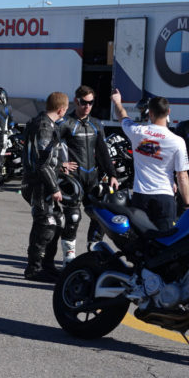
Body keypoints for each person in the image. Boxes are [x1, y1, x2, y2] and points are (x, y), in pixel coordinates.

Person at [111, 89, 189, 230]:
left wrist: (117, 101)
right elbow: (182, 176)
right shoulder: (177, 141)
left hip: (141, 197)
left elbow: (122, 116)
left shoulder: (137, 131)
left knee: (141, 242)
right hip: (165, 198)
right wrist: (187, 203)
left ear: (150, 113)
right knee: (165, 242)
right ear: (168, 112)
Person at [57, 85, 120, 259]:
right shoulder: (65, 123)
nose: (87, 106)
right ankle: (69, 259)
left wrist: (112, 174)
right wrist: (60, 165)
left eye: (91, 103)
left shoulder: (97, 124)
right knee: (73, 218)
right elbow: (48, 146)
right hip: (72, 179)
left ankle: (93, 253)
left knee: (99, 217)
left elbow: (102, 152)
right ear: (76, 101)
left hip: (92, 178)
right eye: (84, 102)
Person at [21, 91, 70, 282]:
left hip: (41, 181)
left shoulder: (42, 123)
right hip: (39, 184)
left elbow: (45, 158)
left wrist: (60, 165)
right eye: (65, 110)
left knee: (57, 222)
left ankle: (47, 266)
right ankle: (34, 269)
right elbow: (42, 163)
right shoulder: (44, 127)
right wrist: (54, 188)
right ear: (61, 110)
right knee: (45, 224)